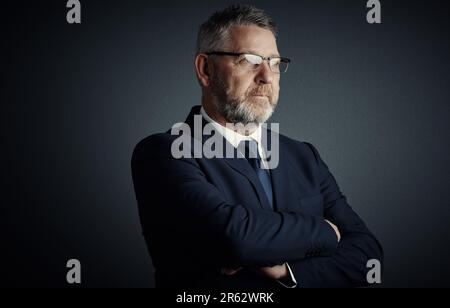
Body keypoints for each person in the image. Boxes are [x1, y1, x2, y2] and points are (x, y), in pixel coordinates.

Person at [132, 5, 383, 288]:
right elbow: (234, 238)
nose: (266, 76)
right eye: (249, 60)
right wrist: (326, 231)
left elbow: (368, 256)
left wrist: (286, 270)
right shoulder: (165, 152)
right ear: (205, 69)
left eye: (274, 63)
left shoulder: (304, 157)